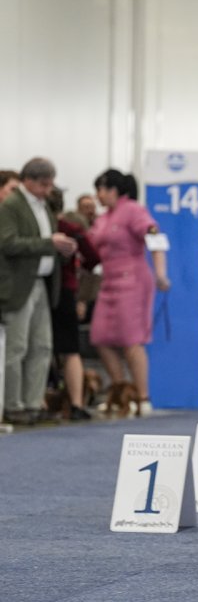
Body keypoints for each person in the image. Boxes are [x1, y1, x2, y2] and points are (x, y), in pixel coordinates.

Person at [0, 158, 78, 425]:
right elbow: (8, 243)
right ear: (28, 181)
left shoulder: (42, 206)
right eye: (44, 184)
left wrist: (62, 248)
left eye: (49, 184)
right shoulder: (11, 206)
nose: (48, 190)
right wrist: (49, 243)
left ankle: (33, 403)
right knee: (17, 347)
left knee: (42, 346)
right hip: (19, 285)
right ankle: (13, 405)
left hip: (42, 283)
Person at [88, 168, 170, 415]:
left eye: (101, 190)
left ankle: (143, 397)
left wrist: (160, 272)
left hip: (133, 281)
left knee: (131, 340)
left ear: (113, 190)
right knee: (100, 337)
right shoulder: (103, 218)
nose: (98, 195)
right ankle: (121, 392)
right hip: (108, 283)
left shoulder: (134, 210)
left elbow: (154, 236)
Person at [47, 187, 100, 419]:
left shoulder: (48, 227)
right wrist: (77, 269)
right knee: (70, 350)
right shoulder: (71, 228)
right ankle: (77, 404)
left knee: (43, 350)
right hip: (66, 291)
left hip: (45, 291)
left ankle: (41, 402)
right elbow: (94, 258)